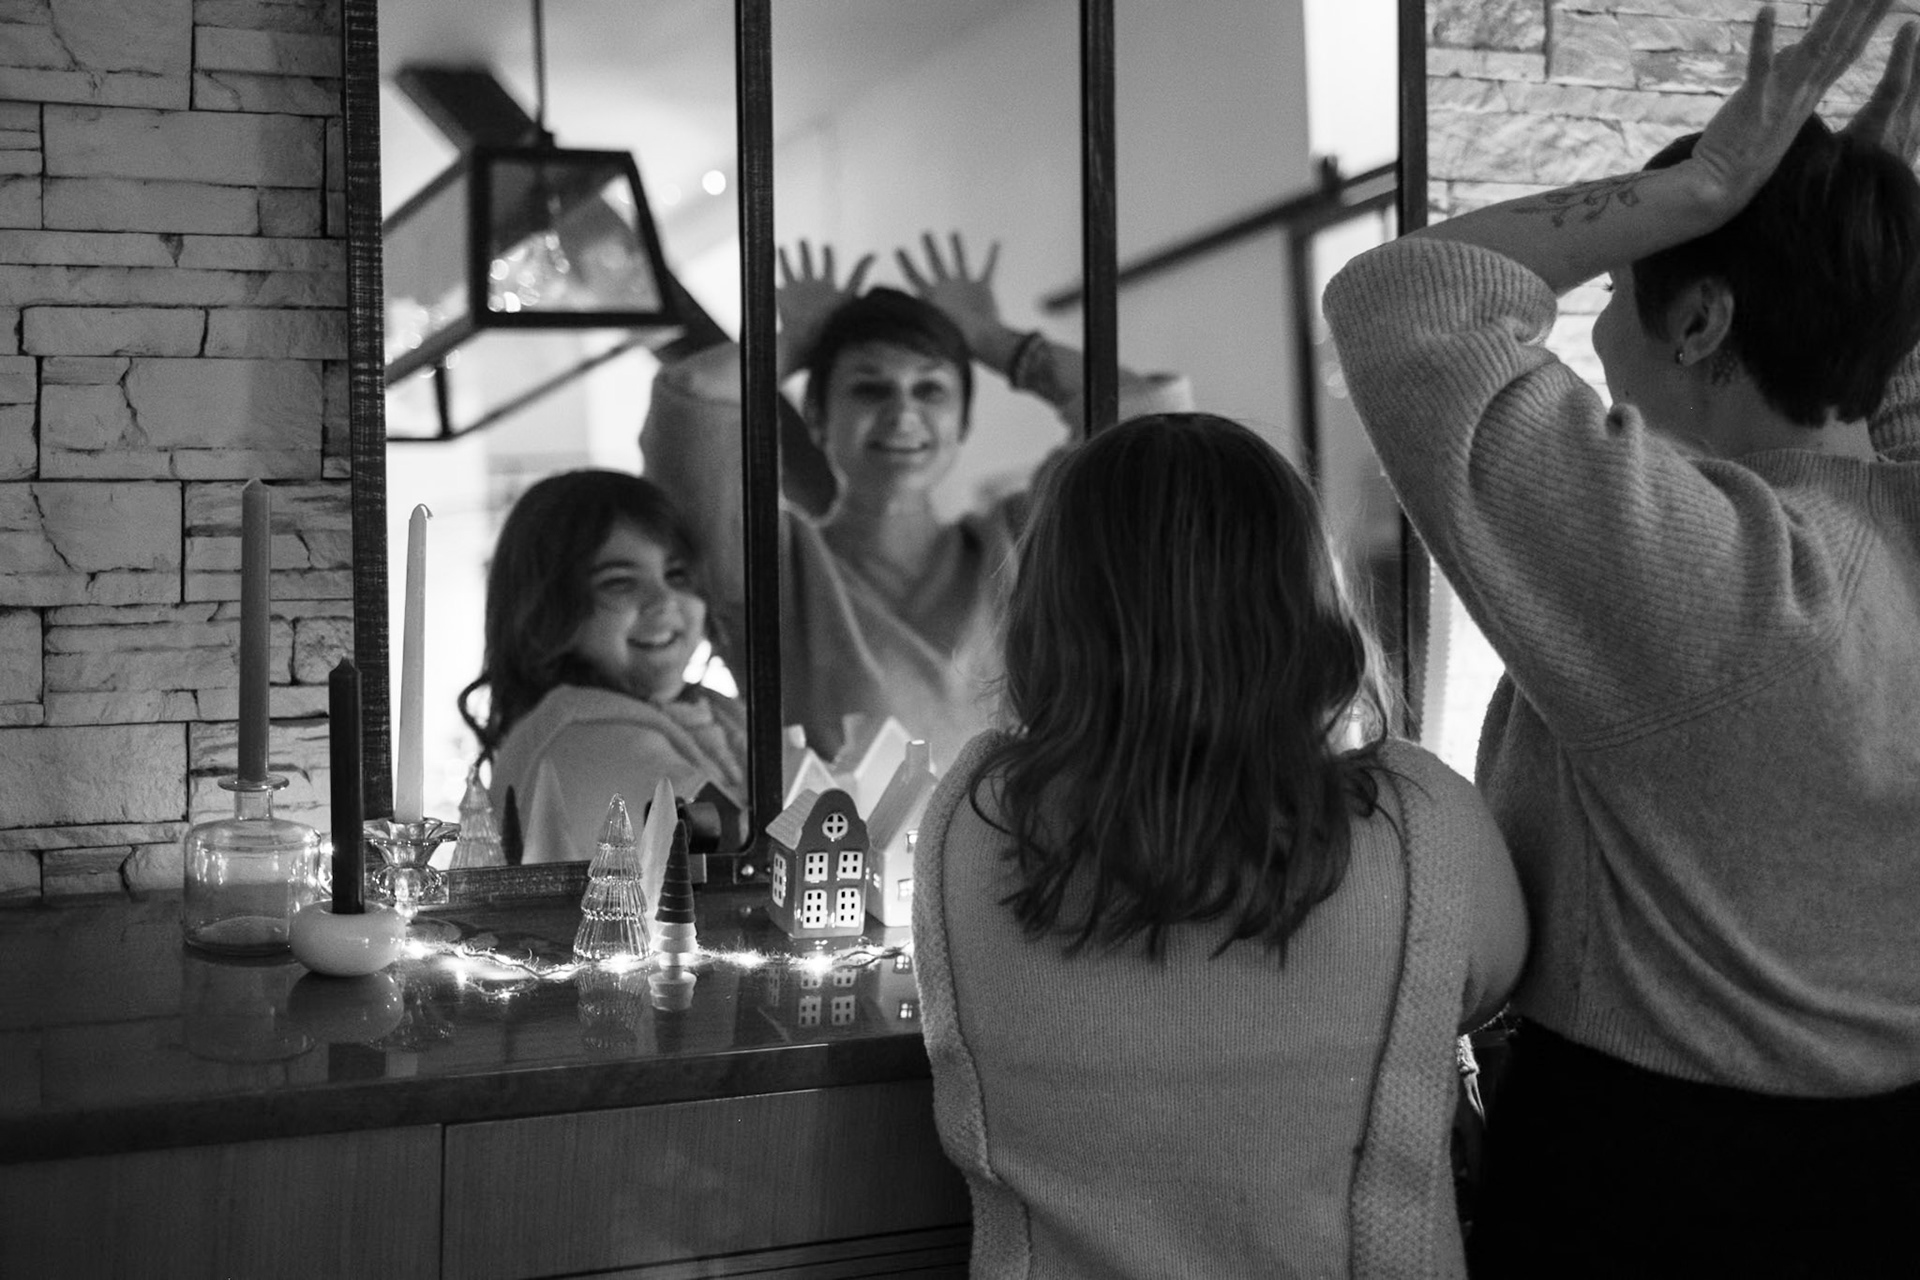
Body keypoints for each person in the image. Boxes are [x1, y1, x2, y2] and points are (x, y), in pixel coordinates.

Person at [1323, 1, 1920, 1272]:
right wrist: (1861, 252)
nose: (1595, 334)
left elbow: (1406, 299)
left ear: (1699, 323)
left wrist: (1703, 187)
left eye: (1612, 296)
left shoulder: (1722, 573)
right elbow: (1887, 408)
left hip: (1662, 1185)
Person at [911, 413, 1528, 1278]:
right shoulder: (1421, 823)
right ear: (1303, 604)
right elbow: (1492, 979)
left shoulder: (974, 820)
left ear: (1052, 609)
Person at [639, 234, 1190, 768]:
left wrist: (990, 338)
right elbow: (692, 397)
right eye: (869, 388)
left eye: (930, 389)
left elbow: (1148, 420)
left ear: (963, 421)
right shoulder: (770, 566)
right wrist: (800, 341)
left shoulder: (1022, 541)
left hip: (1022, 835)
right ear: (817, 418)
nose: (903, 414)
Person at [457, 470, 746, 883]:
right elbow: (742, 851)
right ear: (549, 612)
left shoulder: (714, 712)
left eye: (677, 575)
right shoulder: (585, 735)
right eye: (620, 582)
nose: (664, 599)